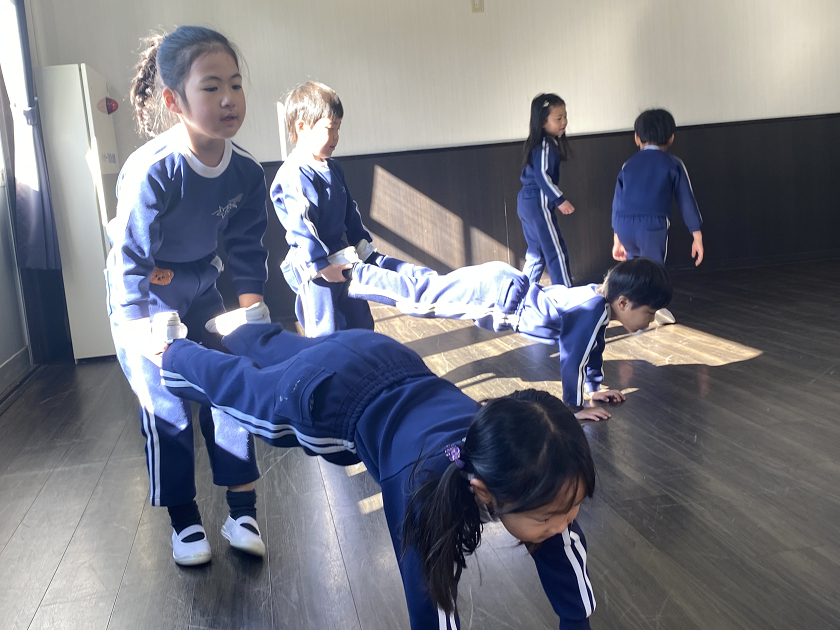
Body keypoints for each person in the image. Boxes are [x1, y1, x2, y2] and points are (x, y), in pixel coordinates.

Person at [148, 318, 598, 629]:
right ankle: (175, 351)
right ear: (482, 489)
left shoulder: (539, 474)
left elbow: (561, 546)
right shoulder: (423, 491)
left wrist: (575, 622)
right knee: (245, 394)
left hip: (380, 354)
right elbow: (431, 604)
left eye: (572, 507)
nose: (564, 523)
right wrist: (174, 355)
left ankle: (244, 328)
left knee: (296, 349)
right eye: (550, 518)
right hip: (331, 401)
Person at [105, 26, 271, 566]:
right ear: (174, 101)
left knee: (230, 383)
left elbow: (246, 246)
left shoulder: (246, 171)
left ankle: (242, 511)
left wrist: (250, 313)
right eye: (211, 87)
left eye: (236, 84)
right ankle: (185, 522)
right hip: (144, 295)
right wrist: (140, 328)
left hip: (200, 282)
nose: (229, 99)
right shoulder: (154, 170)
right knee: (167, 403)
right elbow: (130, 256)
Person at [343, 255, 672, 419]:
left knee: (433, 284)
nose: (650, 320)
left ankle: (377, 260)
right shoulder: (592, 312)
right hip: (497, 297)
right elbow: (573, 361)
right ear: (623, 302)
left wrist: (594, 388)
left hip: (503, 282)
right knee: (422, 300)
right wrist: (574, 408)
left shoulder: (597, 300)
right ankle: (357, 273)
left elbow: (593, 350)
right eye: (649, 312)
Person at [272, 81, 377, 337]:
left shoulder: (334, 168)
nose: (336, 137)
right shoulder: (295, 172)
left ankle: (364, 356)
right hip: (311, 261)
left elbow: (350, 209)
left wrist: (362, 243)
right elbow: (301, 224)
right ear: (302, 128)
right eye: (331, 128)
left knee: (359, 317)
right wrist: (320, 264)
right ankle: (328, 361)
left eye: (338, 128)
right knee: (325, 327)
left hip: (340, 251)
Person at [611, 108, 703, 323]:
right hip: (652, 225)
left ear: (637, 138)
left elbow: (618, 200)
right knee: (654, 269)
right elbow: (686, 200)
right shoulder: (673, 163)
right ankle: (655, 309)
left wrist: (617, 237)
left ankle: (630, 308)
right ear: (671, 137)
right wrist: (696, 234)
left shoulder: (628, 164)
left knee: (634, 268)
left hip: (624, 224)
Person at [517, 93, 575, 288]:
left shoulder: (539, 144)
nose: (564, 122)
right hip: (537, 200)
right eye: (558, 118)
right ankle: (565, 294)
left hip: (526, 201)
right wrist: (560, 200)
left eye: (565, 116)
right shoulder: (545, 144)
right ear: (543, 122)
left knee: (536, 253)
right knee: (556, 251)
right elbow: (542, 176)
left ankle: (520, 293)